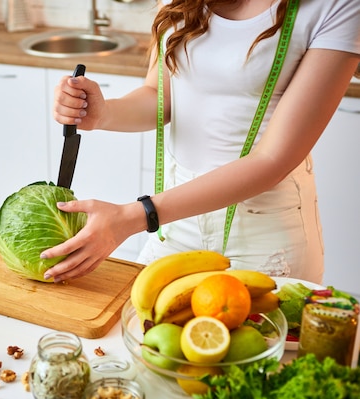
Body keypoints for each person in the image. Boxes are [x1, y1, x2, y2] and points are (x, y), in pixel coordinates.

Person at [41, 0, 360, 285]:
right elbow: (159, 95)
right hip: (173, 221)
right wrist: (104, 113)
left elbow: (273, 159)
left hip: (264, 233)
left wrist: (134, 217)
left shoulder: (336, 7)